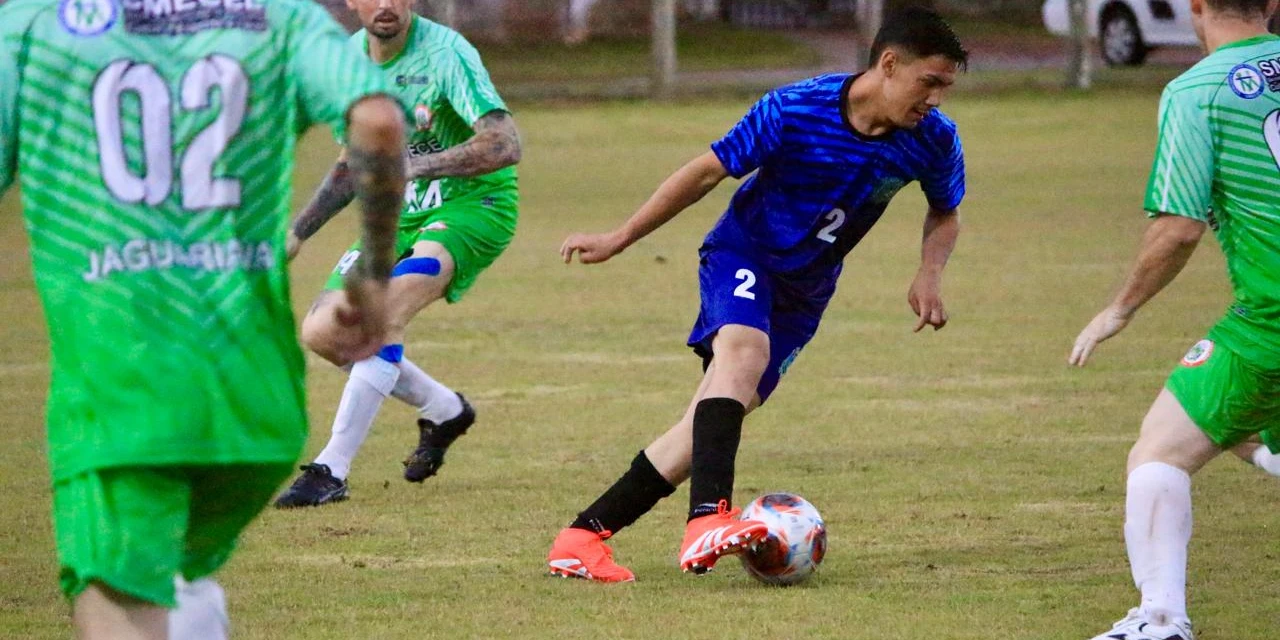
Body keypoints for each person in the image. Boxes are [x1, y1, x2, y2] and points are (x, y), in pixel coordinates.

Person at [0, 0, 405, 637]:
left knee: (119, 601)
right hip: (256, 405)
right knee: (179, 578)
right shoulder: (280, 17)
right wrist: (376, 274)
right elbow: (378, 119)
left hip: (123, 396)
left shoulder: (32, 24)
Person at [547, 7, 968, 582]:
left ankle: (581, 538)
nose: (935, 100)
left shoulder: (934, 140)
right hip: (743, 254)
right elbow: (706, 172)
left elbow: (945, 211)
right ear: (889, 64)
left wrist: (929, 272)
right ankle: (707, 518)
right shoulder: (795, 109)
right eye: (929, 82)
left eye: (945, 88)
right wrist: (620, 236)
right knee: (744, 352)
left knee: (708, 426)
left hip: (807, 292)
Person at [1070, 2, 1280, 638]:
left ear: (1195, 6)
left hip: (1270, 321)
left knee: (1162, 448)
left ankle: (1160, 619)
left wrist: (1120, 308)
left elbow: (1178, 229)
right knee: (1241, 428)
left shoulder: (1198, 92)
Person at [274, 0, 523, 508]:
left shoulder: (447, 53)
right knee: (322, 332)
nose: (385, 4)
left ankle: (331, 469)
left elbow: (504, 144)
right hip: (399, 213)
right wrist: (297, 233)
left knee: (381, 312)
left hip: (473, 206)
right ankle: (445, 409)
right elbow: (354, 162)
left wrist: (414, 166)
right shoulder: (347, 64)